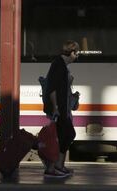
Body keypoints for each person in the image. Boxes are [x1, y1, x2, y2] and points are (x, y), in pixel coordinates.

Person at [44, 40, 80, 178]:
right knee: (65, 135)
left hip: (63, 108)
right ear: (71, 53)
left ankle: (58, 166)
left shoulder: (61, 65)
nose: (76, 57)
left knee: (64, 135)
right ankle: (53, 168)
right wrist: (55, 107)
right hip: (59, 109)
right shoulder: (58, 65)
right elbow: (52, 88)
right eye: (76, 54)